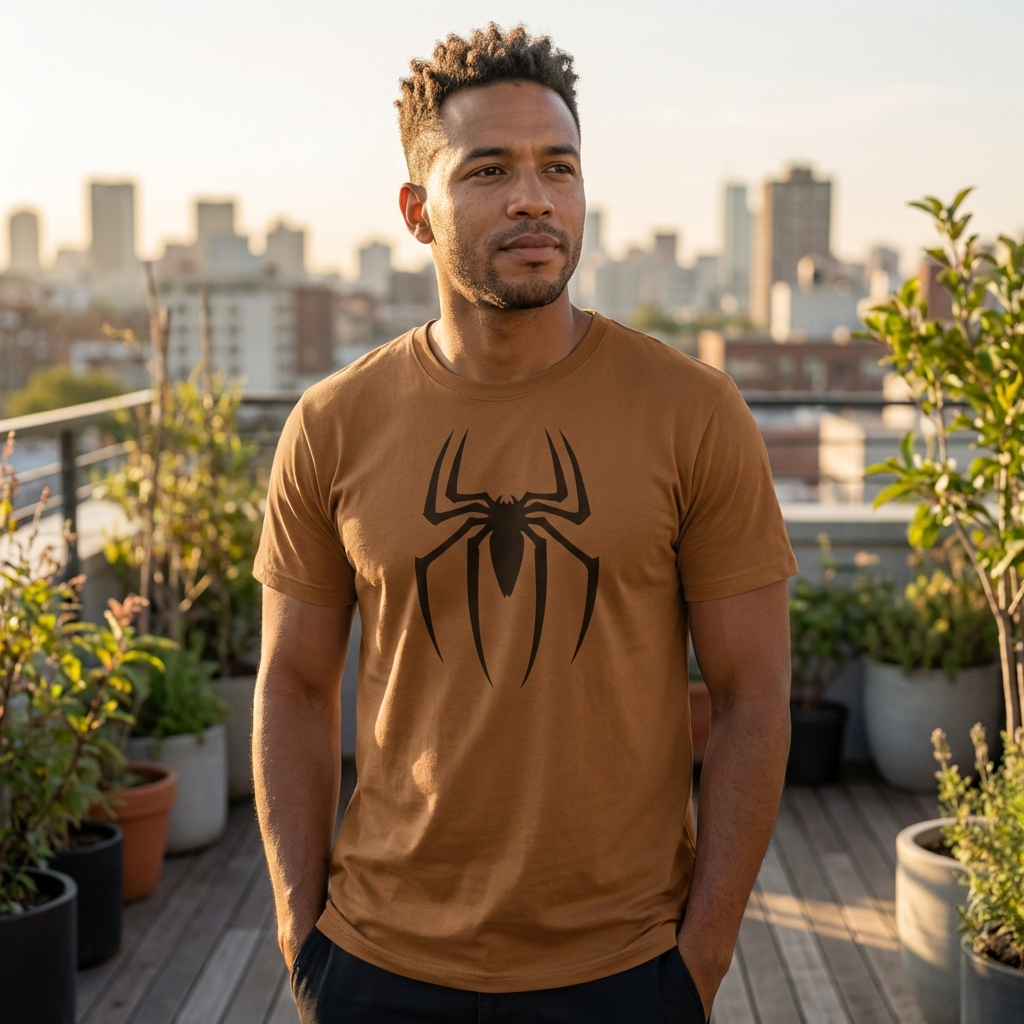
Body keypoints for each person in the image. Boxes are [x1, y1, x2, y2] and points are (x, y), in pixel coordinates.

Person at [253, 23, 797, 1024]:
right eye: (489, 169)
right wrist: (301, 931)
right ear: (417, 212)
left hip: (626, 967)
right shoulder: (333, 423)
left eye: (559, 166)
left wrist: (701, 958)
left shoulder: (692, 410)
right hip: (376, 961)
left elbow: (752, 694)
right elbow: (292, 682)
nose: (534, 197)